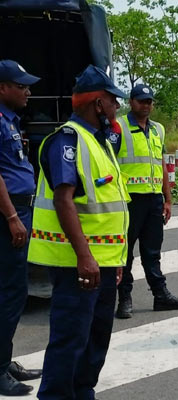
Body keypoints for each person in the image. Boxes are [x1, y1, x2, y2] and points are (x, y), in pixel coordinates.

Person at [28, 65, 130, 399]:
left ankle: (83, 392)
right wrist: (85, 257)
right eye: (113, 101)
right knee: (70, 340)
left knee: (96, 339)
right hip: (76, 264)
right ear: (98, 104)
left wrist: (114, 261)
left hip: (102, 261)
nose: (117, 107)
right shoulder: (67, 141)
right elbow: (63, 200)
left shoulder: (99, 142)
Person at [111, 83, 178, 319]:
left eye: (149, 101)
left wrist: (168, 199)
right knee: (125, 253)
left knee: (152, 251)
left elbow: (162, 166)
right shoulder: (119, 128)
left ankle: (160, 294)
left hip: (154, 199)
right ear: (130, 102)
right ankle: (124, 298)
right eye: (141, 101)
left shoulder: (158, 130)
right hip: (128, 200)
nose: (146, 105)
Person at [0, 60, 42, 396]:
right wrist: (13, 217)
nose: (27, 91)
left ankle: (6, 359)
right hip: (7, 215)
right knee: (10, 293)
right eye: (21, 86)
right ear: (2, 87)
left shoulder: (10, 121)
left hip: (19, 210)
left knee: (14, 291)